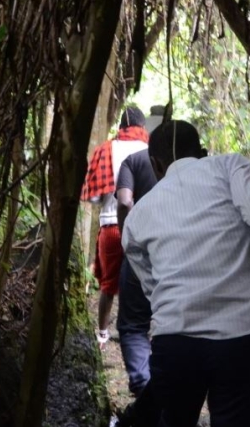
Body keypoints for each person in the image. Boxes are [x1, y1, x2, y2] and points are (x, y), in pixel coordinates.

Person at [121, 121, 250, 427]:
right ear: (202, 152)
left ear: (155, 165)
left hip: (175, 345)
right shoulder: (229, 166)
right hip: (243, 338)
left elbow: (152, 289)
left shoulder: (137, 217)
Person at [81, 106, 149, 348]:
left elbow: (93, 197)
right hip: (143, 228)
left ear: (120, 127)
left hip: (111, 226)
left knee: (108, 286)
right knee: (144, 282)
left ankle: (101, 334)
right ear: (142, 127)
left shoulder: (105, 150)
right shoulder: (150, 151)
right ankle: (138, 332)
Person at [113, 145, 159, 426]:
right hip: (182, 255)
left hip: (142, 248)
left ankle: (144, 382)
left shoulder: (134, 161)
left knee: (133, 325)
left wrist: (126, 239)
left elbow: (124, 202)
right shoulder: (197, 165)